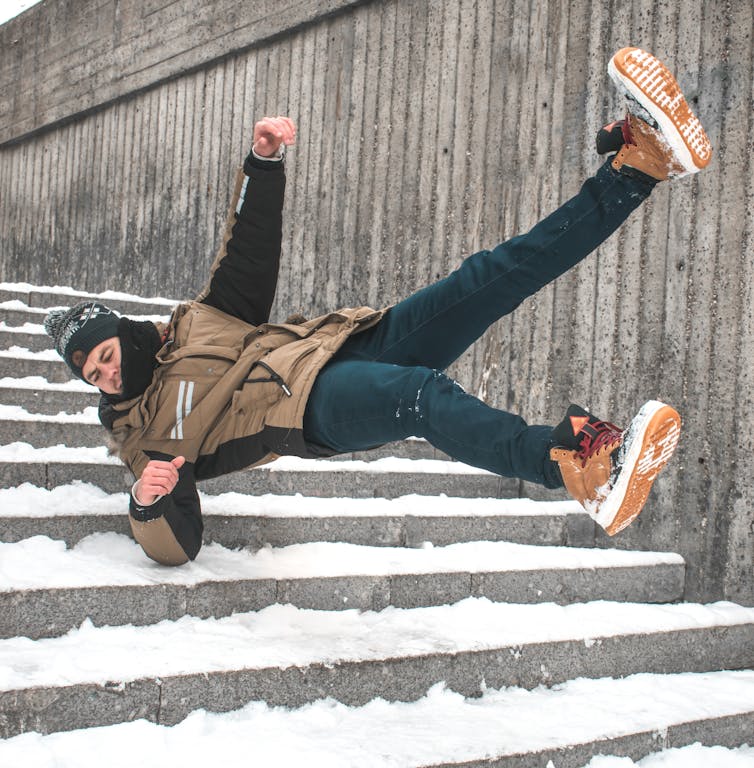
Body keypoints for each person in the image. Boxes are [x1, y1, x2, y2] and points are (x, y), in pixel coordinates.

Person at [44, 47, 712, 566]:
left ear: (122, 331)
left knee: (491, 277)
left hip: (342, 345)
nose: (106, 374)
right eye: (92, 375)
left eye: (103, 355)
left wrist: (262, 164)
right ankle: (583, 470)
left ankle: (639, 166)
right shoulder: (142, 436)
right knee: (418, 396)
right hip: (303, 411)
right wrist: (147, 506)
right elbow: (177, 541)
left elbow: (245, 253)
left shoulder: (196, 323)